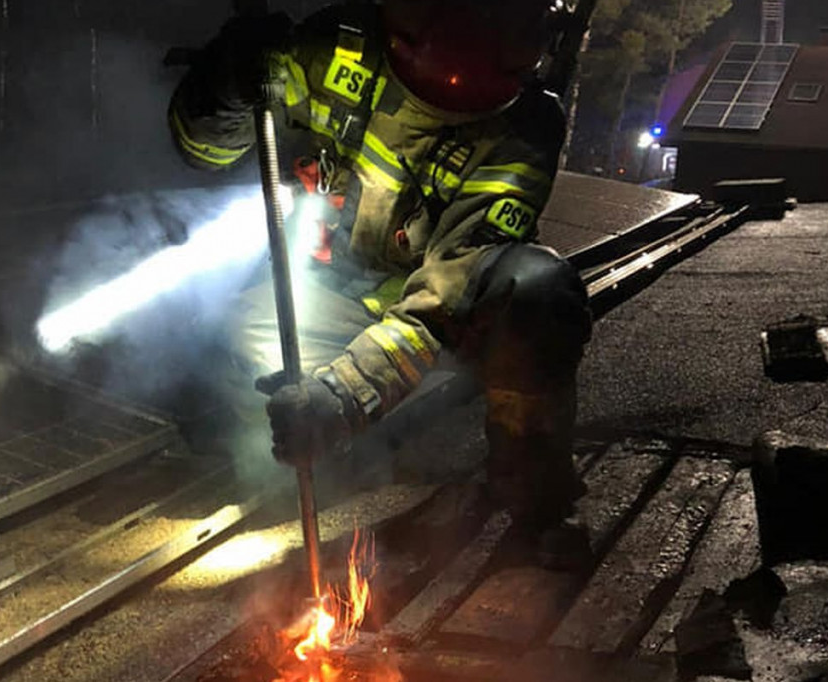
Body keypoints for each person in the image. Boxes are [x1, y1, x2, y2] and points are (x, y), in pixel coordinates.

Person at [168, 0, 593, 567]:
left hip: (451, 325)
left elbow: (441, 300)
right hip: (328, 302)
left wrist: (339, 398)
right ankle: (330, 460)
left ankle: (537, 504)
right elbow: (205, 150)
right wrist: (225, 83)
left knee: (540, 293)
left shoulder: (525, 126)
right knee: (225, 374)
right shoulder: (335, 52)